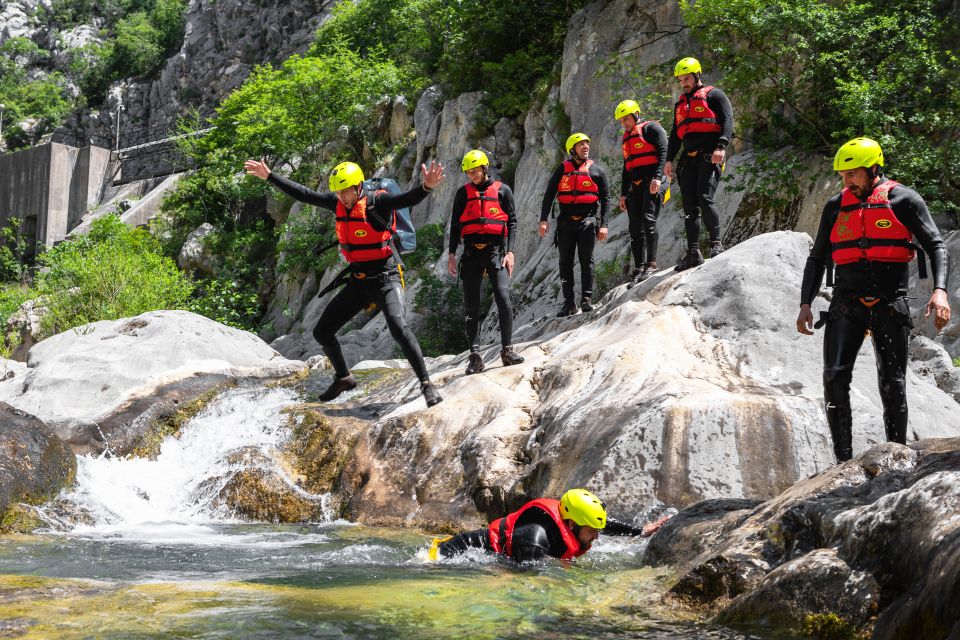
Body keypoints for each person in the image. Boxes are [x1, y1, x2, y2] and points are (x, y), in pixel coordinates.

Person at [796, 137, 951, 462]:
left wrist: (940, 290)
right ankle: (842, 462)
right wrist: (805, 303)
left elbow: (936, 245)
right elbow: (817, 257)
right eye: (843, 174)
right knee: (835, 378)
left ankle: (897, 456)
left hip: (889, 305)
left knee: (893, 384)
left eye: (852, 174)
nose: (846, 180)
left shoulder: (903, 200)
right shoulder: (836, 205)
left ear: (872, 169)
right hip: (845, 304)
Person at [244, 157, 446, 406]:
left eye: (346, 192)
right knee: (322, 331)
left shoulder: (377, 202)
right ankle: (344, 377)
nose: (341, 197)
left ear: (358, 187)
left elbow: (404, 200)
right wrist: (270, 176)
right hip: (359, 281)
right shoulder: (336, 202)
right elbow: (305, 194)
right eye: (338, 192)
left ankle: (427, 384)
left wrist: (426, 187)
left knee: (398, 328)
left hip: (385, 278)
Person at [428, 488, 669, 563]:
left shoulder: (575, 521)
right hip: (449, 556)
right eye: (593, 530)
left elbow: (605, 525)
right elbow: (524, 582)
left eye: (598, 530)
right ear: (572, 524)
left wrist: (641, 531)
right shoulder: (535, 538)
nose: (597, 535)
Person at [448, 150, 525, 374]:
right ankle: (475, 357)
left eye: (475, 171)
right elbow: (455, 225)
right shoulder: (463, 193)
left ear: (485, 168)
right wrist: (452, 253)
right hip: (471, 254)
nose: (472, 175)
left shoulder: (503, 190)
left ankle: (507, 351)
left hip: (495, 253)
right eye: (468, 172)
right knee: (471, 304)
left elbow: (512, 222)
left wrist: (510, 252)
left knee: (503, 296)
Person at [663, 57, 734, 271]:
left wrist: (721, 146)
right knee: (689, 207)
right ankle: (693, 252)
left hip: (709, 155)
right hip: (688, 159)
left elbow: (728, 121)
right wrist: (668, 159)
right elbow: (676, 135)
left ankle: (716, 244)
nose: (684, 83)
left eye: (687, 78)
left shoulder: (714, 95)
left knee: (704, 198)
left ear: (697, 75)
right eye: (681, 79)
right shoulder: (680, 104)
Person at [539, 133, 610, 316]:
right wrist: (543, 219)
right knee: (565, 263)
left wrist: (604, 225)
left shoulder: (597, 171)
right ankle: (569, 303)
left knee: (587, 261)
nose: (585, 146)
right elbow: (549, 195)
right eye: (581, 145)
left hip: (588, 222)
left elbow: (606, 199)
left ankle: (586, 300)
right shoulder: (562, 169)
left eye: (587, 143)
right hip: (565, 224)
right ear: (573, 150)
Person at [613, 100, 668, 287]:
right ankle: (639, 268)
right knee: (634, 228)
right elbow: (626, 168)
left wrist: (658, 178)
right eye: (621, 121)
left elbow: (663, 152)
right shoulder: (627, 138)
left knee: (648, 218)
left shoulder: (651, 128)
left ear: (636, 114)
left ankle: (651, 264)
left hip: (653, 181)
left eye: (626, 119)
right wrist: (623, 194)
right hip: (636, 185)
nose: (624, 124)